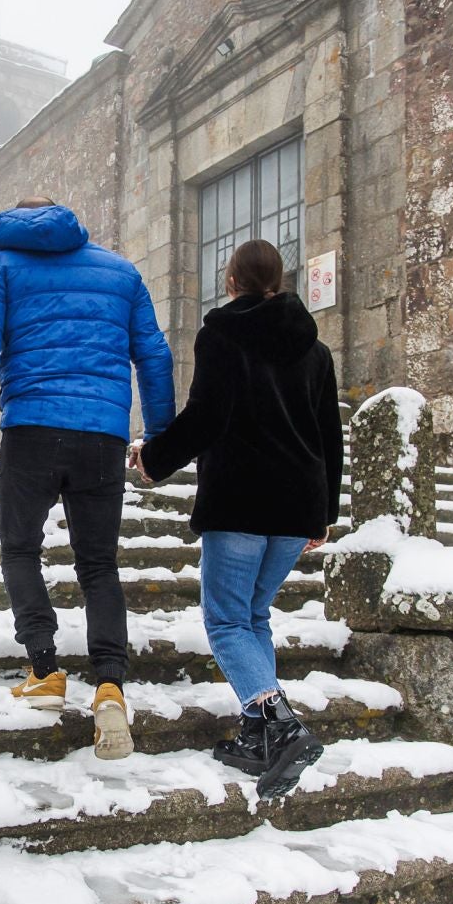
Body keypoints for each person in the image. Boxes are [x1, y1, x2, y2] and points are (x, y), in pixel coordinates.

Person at [0, 196, 175, 760]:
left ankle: (46, 671)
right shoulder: (120, 272)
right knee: (98, 563)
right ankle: (109, 686)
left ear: (12, 223)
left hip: (31, 431)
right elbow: (153, 356)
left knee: (21, 547)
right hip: (102, 434)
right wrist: (161, 437)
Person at [136, 239, 343, 798]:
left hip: (241, 499)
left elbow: (207, 415)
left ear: (231, 281)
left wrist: (154, 458)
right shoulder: (316, 349)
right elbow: (330, 435)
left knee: (226, 620)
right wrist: (324, 513)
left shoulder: (222, 334)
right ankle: (256, 736)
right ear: (280, 279)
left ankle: (281, 722)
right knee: (253, 617)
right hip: (297, 503)